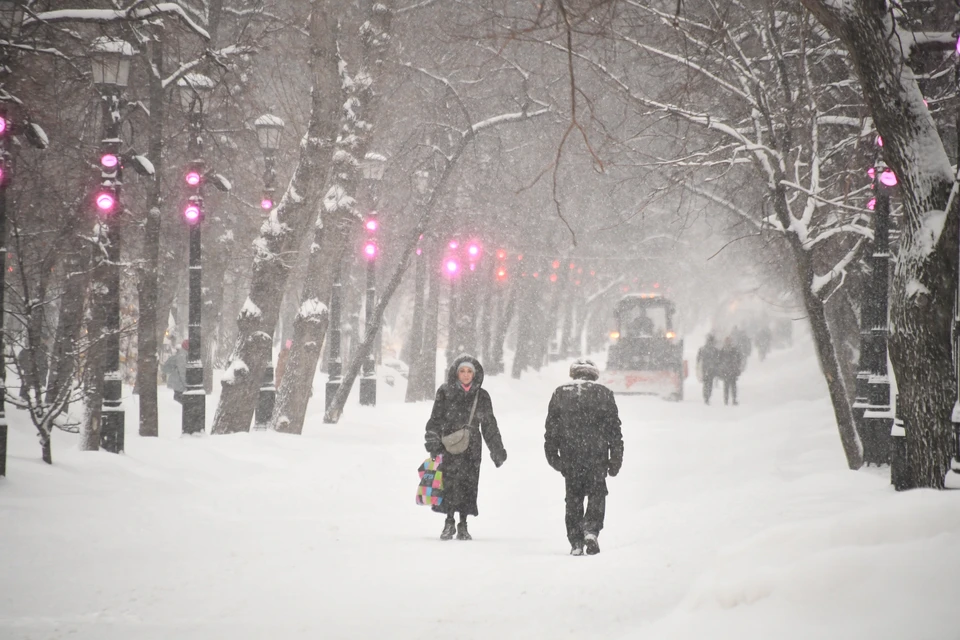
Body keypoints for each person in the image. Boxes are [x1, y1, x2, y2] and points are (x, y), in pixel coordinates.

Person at [544, 358, 624, 556]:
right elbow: (614, 431)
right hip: (597, 456)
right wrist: (615, 458)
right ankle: (591, 530)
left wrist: (554, 456)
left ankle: (576, 541)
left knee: (573, 498)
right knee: (597, 494)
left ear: (574, 374)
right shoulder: (604, 394)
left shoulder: (560, 393)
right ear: (593, 374)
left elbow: (551, 430)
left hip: (570, 456)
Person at [424, 355, 507, 541]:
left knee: (469, 483)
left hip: (472, 445)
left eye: (469, 371)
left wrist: (497, 449)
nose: (466, 375)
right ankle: (449, 521)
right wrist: (432, 441)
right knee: (449, 482)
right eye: (462, 371)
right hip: (449, 444)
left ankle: (463, 523)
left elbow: (489, 425)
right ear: (456, 372)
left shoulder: (482, 395)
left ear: (475, 374)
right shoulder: (445, 392)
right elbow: (435, 420)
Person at [718, 336, 744, 405]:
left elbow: (719, 361)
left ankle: (728, 400)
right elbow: (739, 360)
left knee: (728, 386)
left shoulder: (723, 350)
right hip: (731, 371)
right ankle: (731, 399)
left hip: (728, 371)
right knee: (732, 386)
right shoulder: (733, 350)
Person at [696, 334, 720, 405]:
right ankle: (707, 396)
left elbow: (698, 359)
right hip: (711, 369)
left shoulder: (703, 349)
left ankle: (706, 396)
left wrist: (698, 366)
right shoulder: (715, 350)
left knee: (706, 383)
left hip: (705, 368)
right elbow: (718, 360)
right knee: (709, 383)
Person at [162, 339, 188, 404]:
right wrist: (186, 384)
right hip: (179, 383)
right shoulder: (182, 355)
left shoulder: (181, 354)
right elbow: (182, 371)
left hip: (177, 383)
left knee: (179, 398)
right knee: (182, 400)